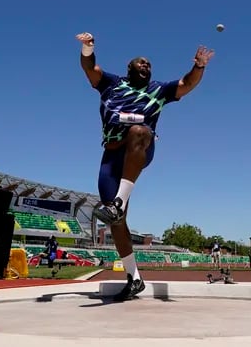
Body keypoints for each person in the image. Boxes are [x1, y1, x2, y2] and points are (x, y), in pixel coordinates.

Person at [76, 31, 214, 301]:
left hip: (140, 148)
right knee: (117, 224)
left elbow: (186, 83)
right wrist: (88, 49)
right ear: (129, 68)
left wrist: (199, 66)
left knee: (139, 130)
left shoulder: (158, 90)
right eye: (141, 63)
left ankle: (118, 202)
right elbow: (90, 69)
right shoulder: (112, 84)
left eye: (149, 64)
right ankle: (134, 277)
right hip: (111, 158)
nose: (146, 66)